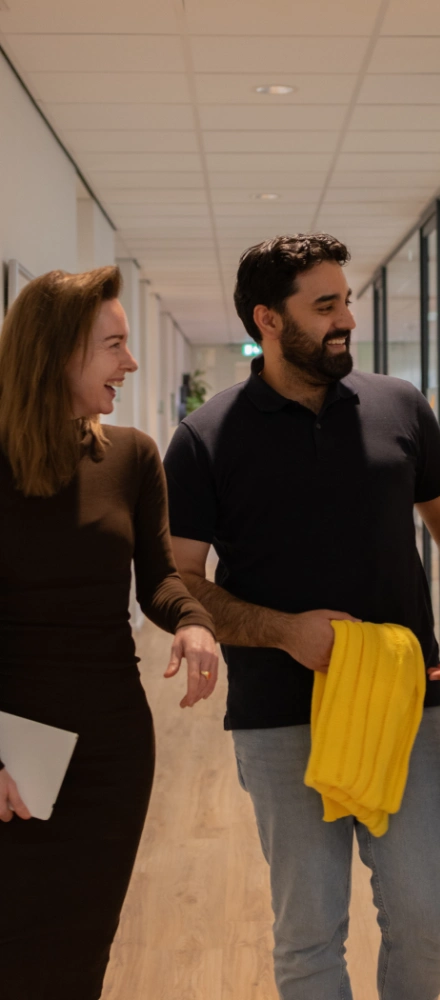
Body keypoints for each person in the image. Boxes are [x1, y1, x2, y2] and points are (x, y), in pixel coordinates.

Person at [163, 233, 440, 1000]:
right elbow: (178, 582)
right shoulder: (205, 436)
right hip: (281, 713)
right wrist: (285, 631)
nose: (346, 318)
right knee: (308, 933)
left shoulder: (397, 405)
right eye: (325, 306)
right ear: (267, 320)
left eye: (346, 299)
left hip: (406, 704)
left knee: (430, 913)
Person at [0, 266, 219, 1000]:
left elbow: (158, 576)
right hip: (11, 741)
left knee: (81, 946)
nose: (129, 363)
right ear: (59, 352)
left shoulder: (129, 456)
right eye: (114, 346)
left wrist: (191, 624)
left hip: (110, 740)